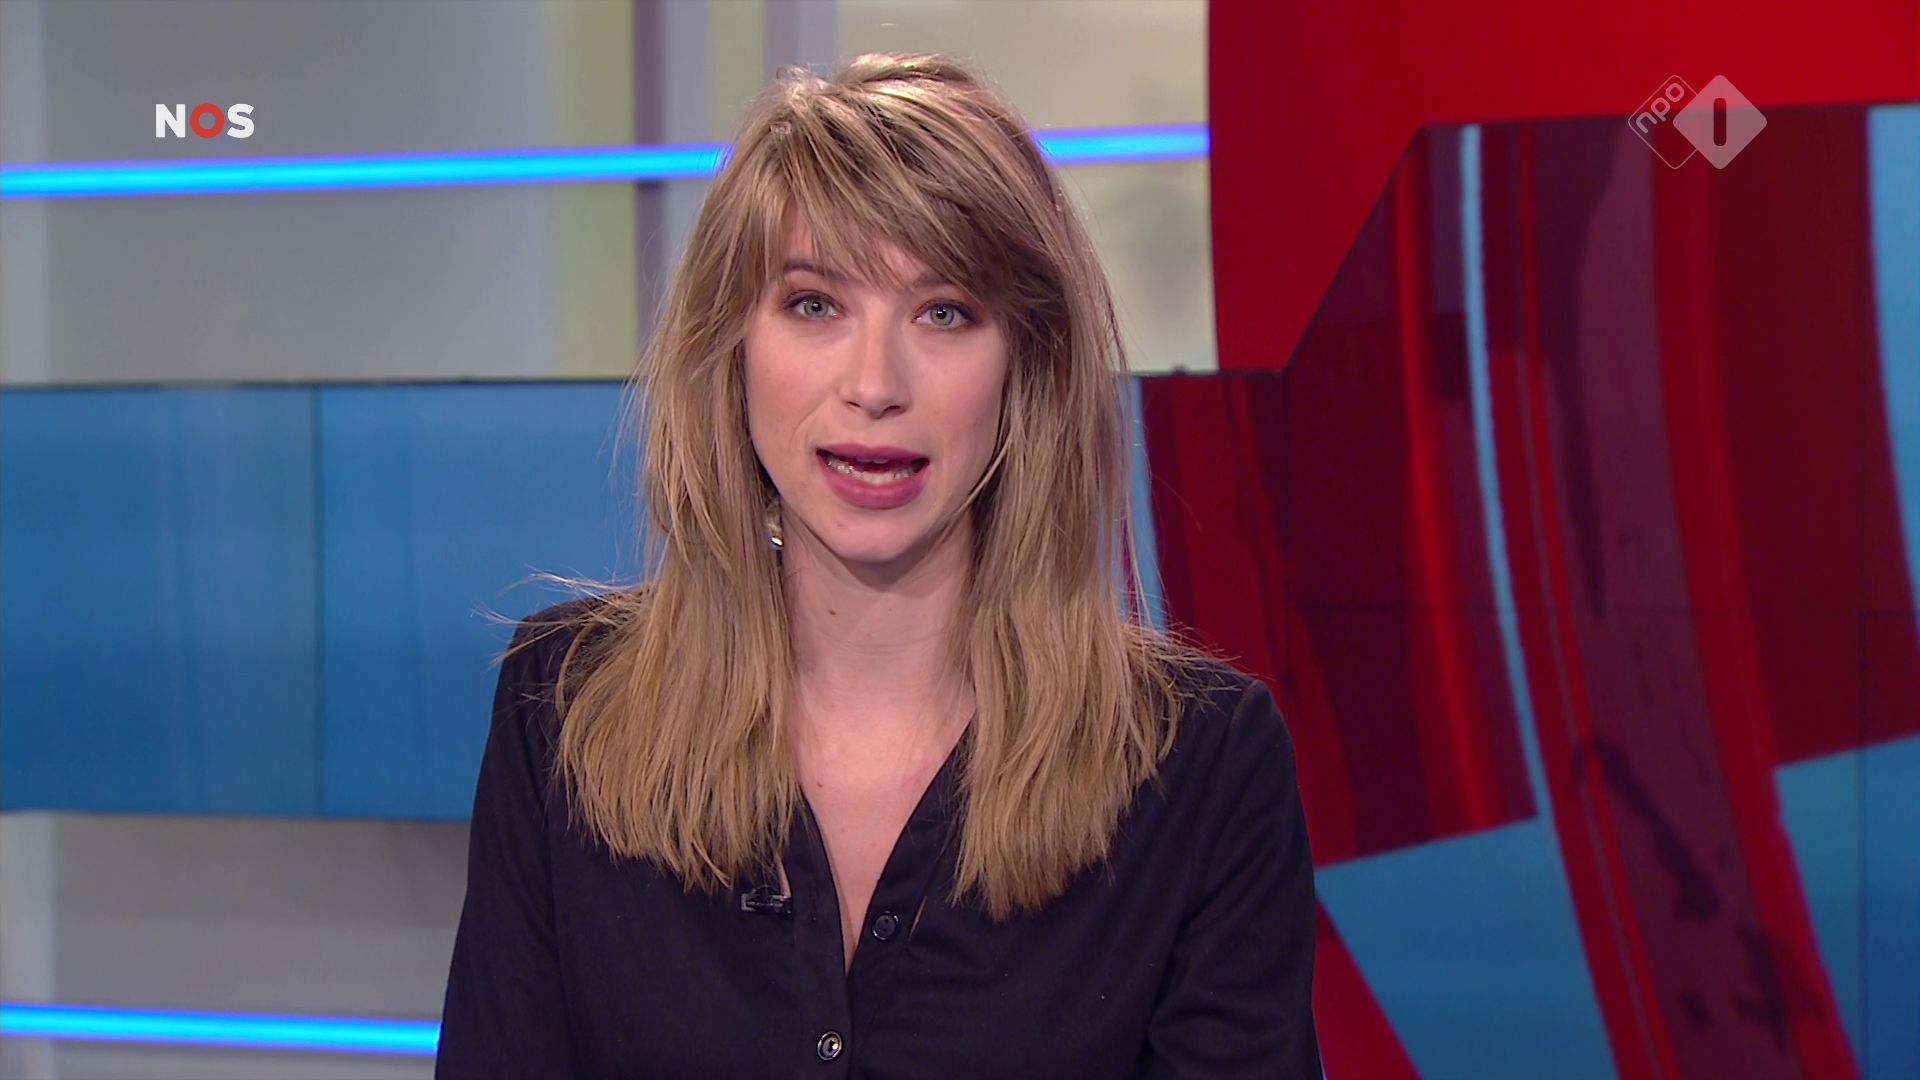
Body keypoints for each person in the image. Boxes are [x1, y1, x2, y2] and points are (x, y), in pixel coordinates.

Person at [435, 51, 1321, 1079]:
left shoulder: (1200, 770)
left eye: (944, 313)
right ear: (732, 347)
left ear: (1027, 367)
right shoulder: (565, 711)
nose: (873, 383)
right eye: (816, 304)